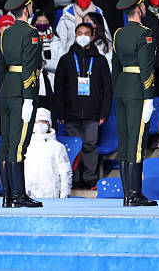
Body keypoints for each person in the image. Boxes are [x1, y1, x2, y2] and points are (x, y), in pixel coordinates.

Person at [110, 0, 157, 207]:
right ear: (139, 8)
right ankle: (134, 194)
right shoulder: (145, 34)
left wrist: (117, 89)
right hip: (138, 90)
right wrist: (149, 97)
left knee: (125, 141)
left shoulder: (119, 33)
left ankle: (128, 192)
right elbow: (147, 69)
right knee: (137, 143)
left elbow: (115, 67)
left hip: (121, 89)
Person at [0, 0, 43, 208]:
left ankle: (7, 195)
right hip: (21, 93)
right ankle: (18, 195)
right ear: (26, 8)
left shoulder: (6, 34)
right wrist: (28, 97)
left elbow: (1, 68)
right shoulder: (30, 33)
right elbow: (30, 68)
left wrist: (4, 90)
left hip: (7, 91)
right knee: (17, 147)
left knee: (6, 145)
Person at [56, 20, 113, 190]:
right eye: (79, 33)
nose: (82, 37)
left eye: (86, 34)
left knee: (89, 145)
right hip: (70, 113)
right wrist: (61, 114)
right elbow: (58, 89)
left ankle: (89, 179)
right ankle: (73, 178)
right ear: (75, 36)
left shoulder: (100, 60)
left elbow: (107, 89)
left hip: (93, 113)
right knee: (74, 146)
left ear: (92, 37)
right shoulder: (66, 60)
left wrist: (104, 113)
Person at [23, 107, 73, 199]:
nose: (39, 124)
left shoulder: (58, 147)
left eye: (43, 121)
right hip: (28, 197)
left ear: (49, 125)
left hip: (51, 198)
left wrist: (64, 197)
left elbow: (65, 173)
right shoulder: (24, 146)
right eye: (36, 121)